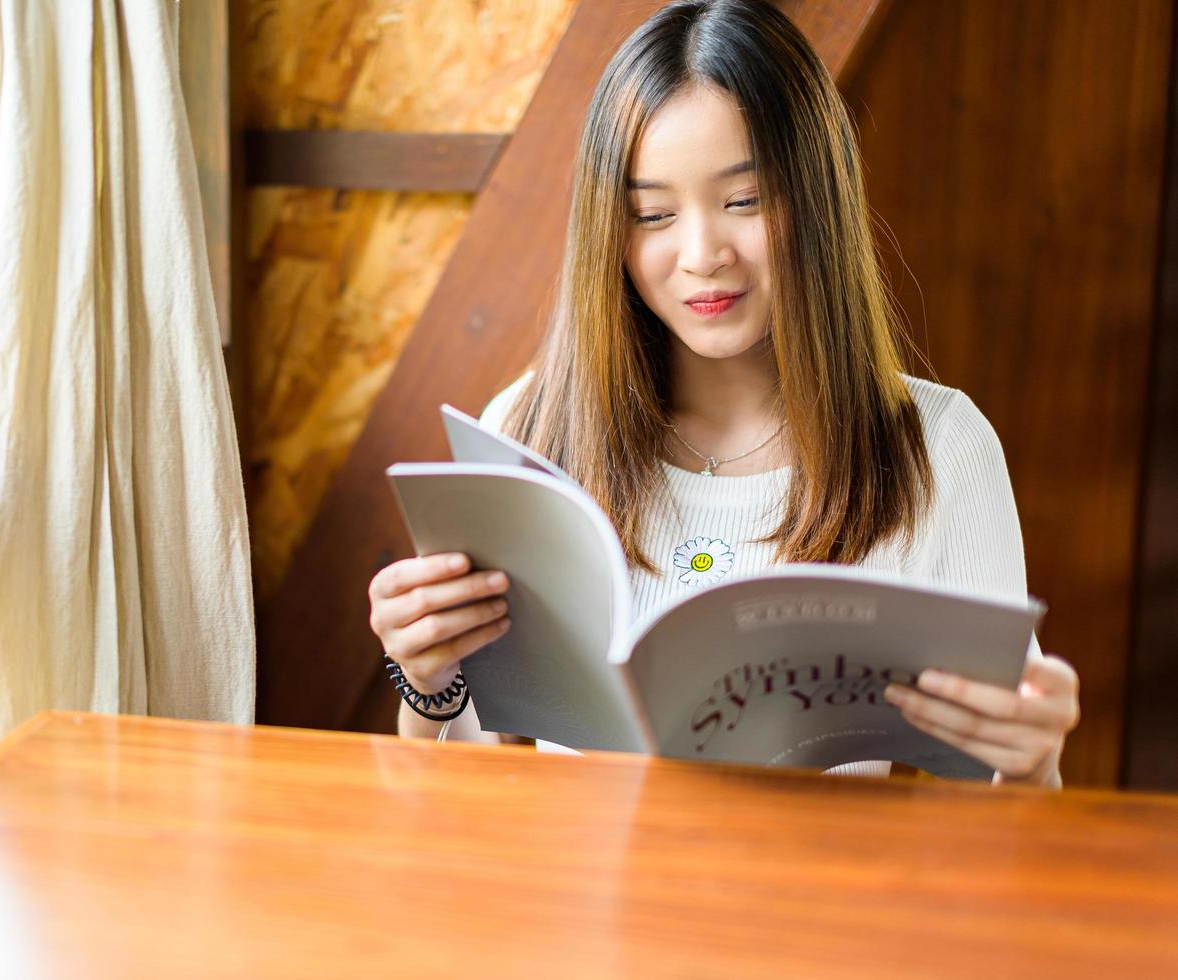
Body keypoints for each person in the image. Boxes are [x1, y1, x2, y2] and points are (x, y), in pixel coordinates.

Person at [365, 0, 1079, 786]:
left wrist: (1032, 757)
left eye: (743, 201)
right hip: (583, 901)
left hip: (807, 906)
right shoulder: (530, 431)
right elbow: (467, 798)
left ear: (815, 199)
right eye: (652, 214)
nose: (702, 254)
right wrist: (426, 682)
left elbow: (995, 822)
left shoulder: (935, 448)